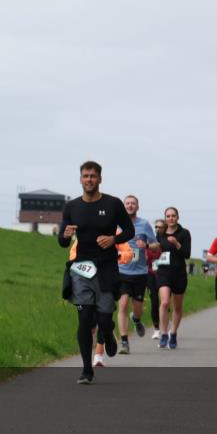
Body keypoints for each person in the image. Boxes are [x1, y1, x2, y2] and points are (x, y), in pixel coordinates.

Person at [58, 161, 134, 384]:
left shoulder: (113, 204)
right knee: (84, 318)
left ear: (100, 179)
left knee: (104, 316)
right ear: (80, 179)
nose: (89, 179)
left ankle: (108, 332)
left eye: (93, 176)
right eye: (85, 176)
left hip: (107, 268)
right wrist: (64, 235)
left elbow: (128, 230)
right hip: (81, 268)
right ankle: (86, 370)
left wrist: (114, 239)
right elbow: (62, 242)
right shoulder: (72, 207)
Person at [115, 195, 157, 354]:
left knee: (137, 308)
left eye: (133, 203)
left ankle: (137, 319)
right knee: (123, 304)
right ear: (123, 207)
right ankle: (124, 341)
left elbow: (155, 246)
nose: (130, 206)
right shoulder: (116, 225)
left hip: (140, 273)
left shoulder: (144, 224)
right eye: (127, 203)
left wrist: (146, 244)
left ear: (137, 207)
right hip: (122, 271)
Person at [155, 206, 191, 350]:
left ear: (177, 217)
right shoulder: (160, 233)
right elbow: (156, 249)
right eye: (168, 216)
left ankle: (174, 333)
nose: (171, 218)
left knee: (177, 307)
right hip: (163, 272)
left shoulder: (184, 233)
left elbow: (187, 254)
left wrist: (176, 243)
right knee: (164, 303)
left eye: (173, 216)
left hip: (179, 273)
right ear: (165, 218)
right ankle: (164, 333)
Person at [148, 219, 166, 339]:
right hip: (150, 274)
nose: (158, 229)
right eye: (156, 227)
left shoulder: (166, 242)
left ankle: (165, 324)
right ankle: (156, 328)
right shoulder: (150, 241)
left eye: (160, 227)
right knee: (154, 301)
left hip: (164, 274)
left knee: (165, 302)